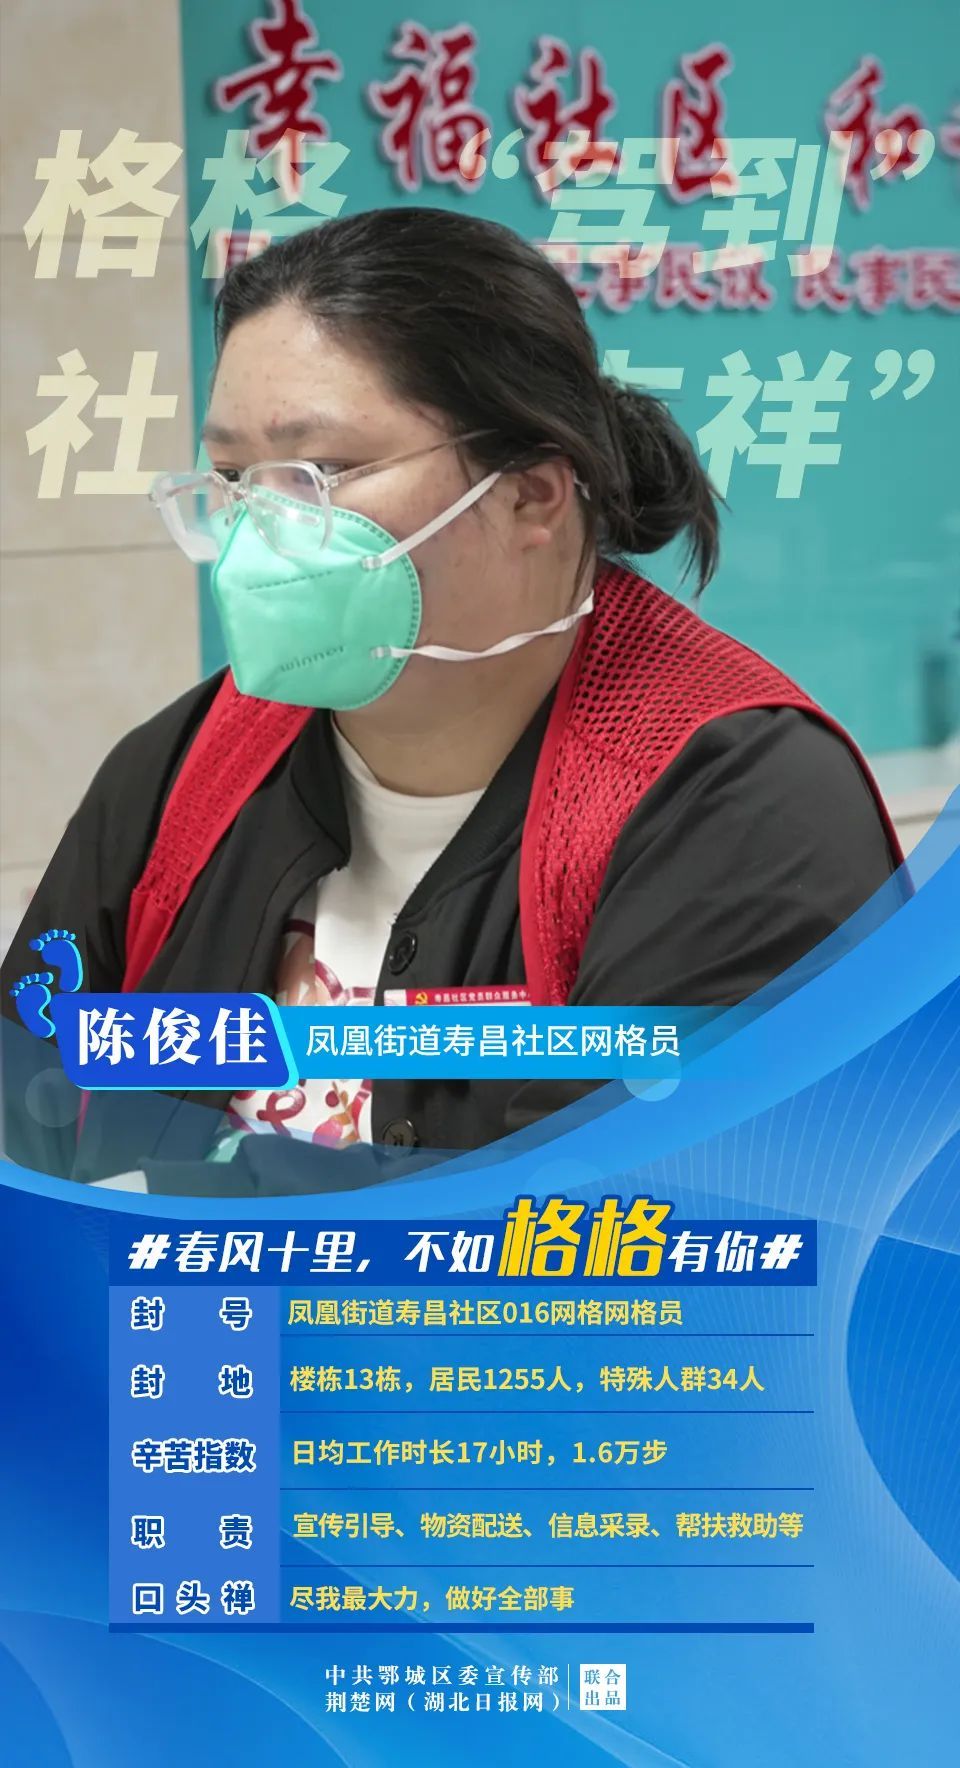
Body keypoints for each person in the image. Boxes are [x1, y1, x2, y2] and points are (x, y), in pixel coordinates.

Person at [1, 207, 901, 1190]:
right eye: (232, 478)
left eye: (324, 471)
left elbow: (608, 1225)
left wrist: (147, 1216)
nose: (262, 531)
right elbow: (26, 1092)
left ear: (532, 494)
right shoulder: (191, 765)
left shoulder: (742, 802)